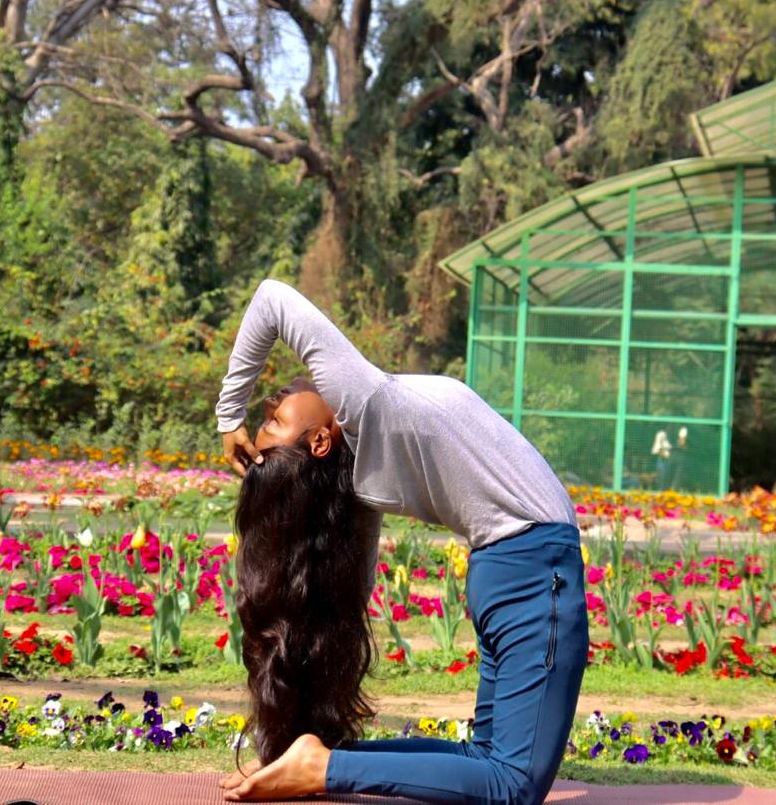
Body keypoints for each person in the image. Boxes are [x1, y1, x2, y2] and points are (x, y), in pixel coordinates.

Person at [213, 279, 588, 804]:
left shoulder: (366, 472)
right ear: (320, 439)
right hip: (532, 568)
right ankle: (318, 765)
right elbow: (273, 299)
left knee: (489, 759)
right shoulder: (361, 403)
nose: (273, 402)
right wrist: (229, 415)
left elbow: (351, 594)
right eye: (275, 420)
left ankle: (310, 759)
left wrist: (233, 413)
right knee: (513, 784)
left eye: (268, 416)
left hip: (510, 567)